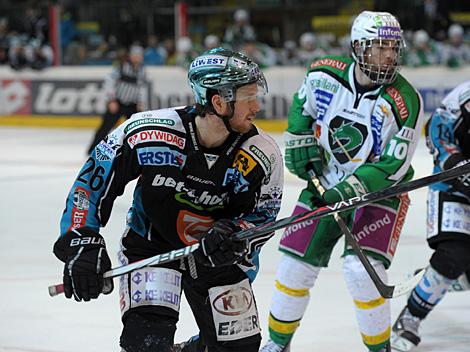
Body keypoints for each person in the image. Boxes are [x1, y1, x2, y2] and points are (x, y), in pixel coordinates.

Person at [53, 47, 284, 352]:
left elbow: (264, 216)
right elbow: (90, 186)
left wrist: (237, 234)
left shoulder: (262, 154)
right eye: (248, 98)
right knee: (147, 343)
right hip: (153, 244)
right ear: (219, 102)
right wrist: (81, 241)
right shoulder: (147, 132)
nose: (257, 106)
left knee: (237, 348)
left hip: (215, 252)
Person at [260, 11, 424, 352]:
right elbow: (301, 109)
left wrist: (345, 192)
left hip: (380, 196)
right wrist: (300, 140)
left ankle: (380, 349)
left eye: (393, 48)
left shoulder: (405, 100)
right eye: (379, 48)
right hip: (324, 183)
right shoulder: (323, 74)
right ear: (357, 48)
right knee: (292, 266)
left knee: (361, 273)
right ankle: (277, 345)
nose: (389, 56)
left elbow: (392, 166)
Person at [391, 80, 470, 351]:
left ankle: (442, 276)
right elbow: (437, 129)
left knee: (457, 265)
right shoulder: (464, 97)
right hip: (455, 187)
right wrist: (456, 165)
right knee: (454, 255)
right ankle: (411, 316)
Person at [86, 45, 147, 155]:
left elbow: (141, 88)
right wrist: (111, 100)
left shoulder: (142, 70)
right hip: (118, 102)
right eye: (135, 55)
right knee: (105, 128)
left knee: (134, 130)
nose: (137, 57)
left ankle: (131, 153)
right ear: (130, 56)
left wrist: (141, 102)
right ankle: (92, 150)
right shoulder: (121, 67)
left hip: (133, 105)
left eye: (139, 55)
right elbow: (109, 82)